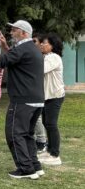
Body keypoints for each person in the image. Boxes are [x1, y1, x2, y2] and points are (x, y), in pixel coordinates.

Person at [0, 21, 45, 179]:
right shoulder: (32, 48)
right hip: (36, 99)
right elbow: (14, 59)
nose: (11, 32)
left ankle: (26, 169)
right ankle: (35, 166)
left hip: (22, 100)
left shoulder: (22, 49)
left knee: (14, 134)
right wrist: (4, 46)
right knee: (27, 135)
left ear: (24, 33)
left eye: (14, 29)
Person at [37, 33, 65, 167]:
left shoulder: (54, 57)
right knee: (46, 123)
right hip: (47, 96)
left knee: (51, 124)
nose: (41, 45)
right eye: (41, 43)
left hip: (55, 96)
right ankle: (49, 151)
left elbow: (40, 69)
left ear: (52, 46)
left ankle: (55, 155)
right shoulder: (46, 56)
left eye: (45, 43)